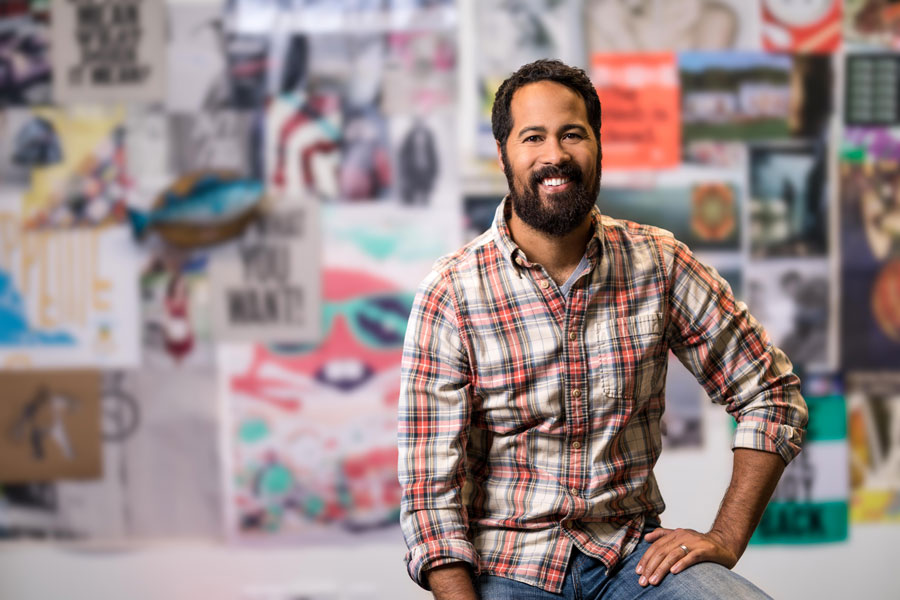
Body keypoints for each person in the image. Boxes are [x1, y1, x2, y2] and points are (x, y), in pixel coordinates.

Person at [398, 59, 807, 599]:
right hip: (507, 568)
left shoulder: (658, 261)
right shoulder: (449, 292)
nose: (555, 155)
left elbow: (771, 395)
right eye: (533, 137)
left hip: (633, 560)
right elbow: (431, 495)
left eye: (572, 134)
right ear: (504, 155)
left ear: (598, 145)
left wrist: (726, 537)